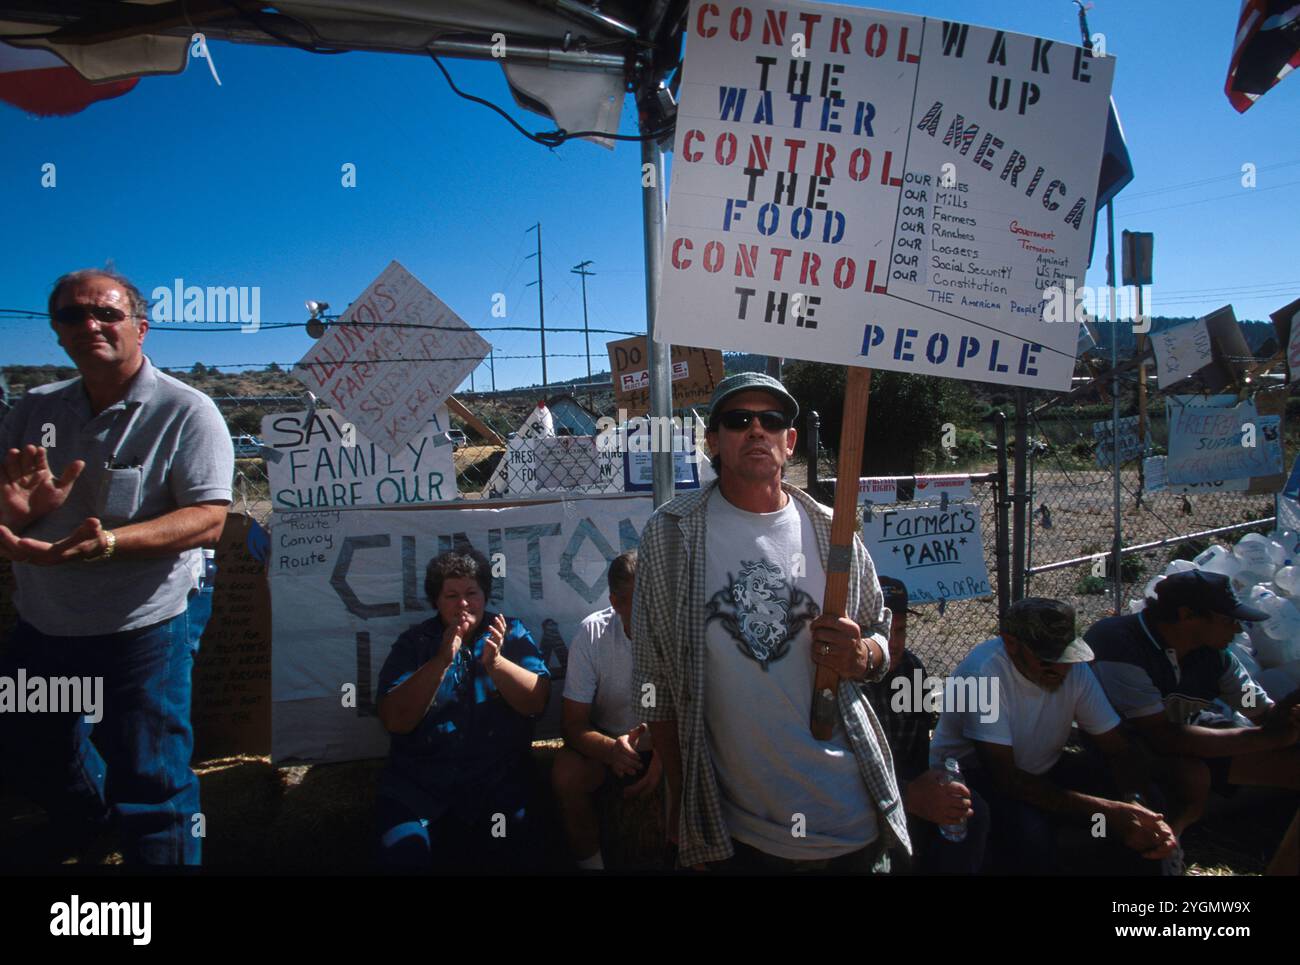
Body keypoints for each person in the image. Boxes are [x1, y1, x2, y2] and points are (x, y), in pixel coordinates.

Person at [0, 268, 232, 865]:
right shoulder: (32, 410)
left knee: (152, 778)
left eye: (107, 313)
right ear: (56, 333)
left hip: (142, 625)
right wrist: (12, 511)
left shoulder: (186, 410)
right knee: (31, 746)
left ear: (141, 327)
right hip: (44, 622)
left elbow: (208, 518)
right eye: (73, 316)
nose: (91, 326)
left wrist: (109, 544)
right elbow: (7, 504)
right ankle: (90, 821)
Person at [632, 372, 907, 873]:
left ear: (790, 441)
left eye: (772, 420)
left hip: (848, 819)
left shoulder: (833, 528)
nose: (757, 430)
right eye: (739, 420)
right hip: (738, 832)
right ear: (713, 441)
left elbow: (882, 639)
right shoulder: (670, 535)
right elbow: (655, 680)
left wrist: (863, 654)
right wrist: (680, 798)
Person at [930, 597, 1178, 874]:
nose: (1061, 668)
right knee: (1032, 836)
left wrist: (1132, 803)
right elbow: (1006, 779)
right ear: (1011, 643)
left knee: (1149, 798)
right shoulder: (982, 675)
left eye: (1067, 657)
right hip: (975, 779)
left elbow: (1118, 747)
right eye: (1048, 659)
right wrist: (1108, 811)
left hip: (1042, 767)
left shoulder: (1075, 670)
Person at [1086, 570, 1300, 846]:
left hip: (1190, 735)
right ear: (1187, 615)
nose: (1237, 630)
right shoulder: (1119, 643)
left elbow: (1257, 710)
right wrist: (1268, 737)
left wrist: (1288, 714)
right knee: (1191, 776)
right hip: (1125, 749)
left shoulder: (1216, 658)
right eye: (1228, 620)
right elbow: (1162, 736)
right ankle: (1166, 846)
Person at [375, 546, 550, 872]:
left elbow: (536, 703)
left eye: (472, 593)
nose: (463, 604)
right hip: (420, 791)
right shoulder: (415, 643)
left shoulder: (510, 632)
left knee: (514, 848)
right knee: (403, 856)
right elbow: (395, 720)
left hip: (496, 788)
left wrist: (496, 664)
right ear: (436, 601)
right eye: (451, 595)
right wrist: (441, 660)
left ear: (485, 595)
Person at [862, 577, 987, 873]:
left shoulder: (911, 669)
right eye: (884, 631)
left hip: (906, 782)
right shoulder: (845, 676)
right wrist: (910, 797)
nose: (894, 641)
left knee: (972, 811)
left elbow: (919, 750)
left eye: (902, 630)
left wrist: (937, 789)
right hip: (860, 798)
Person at [552, 551, 662, 870]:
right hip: (609, 747)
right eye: (637, 601)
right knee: (566, 772)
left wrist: (665, 758)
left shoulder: (678, 631)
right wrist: (610, 749)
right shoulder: (592, 634)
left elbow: (701, 713)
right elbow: (572, 724)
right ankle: (592, 865)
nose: (650, 610)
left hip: (672, 744)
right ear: (615, 602)